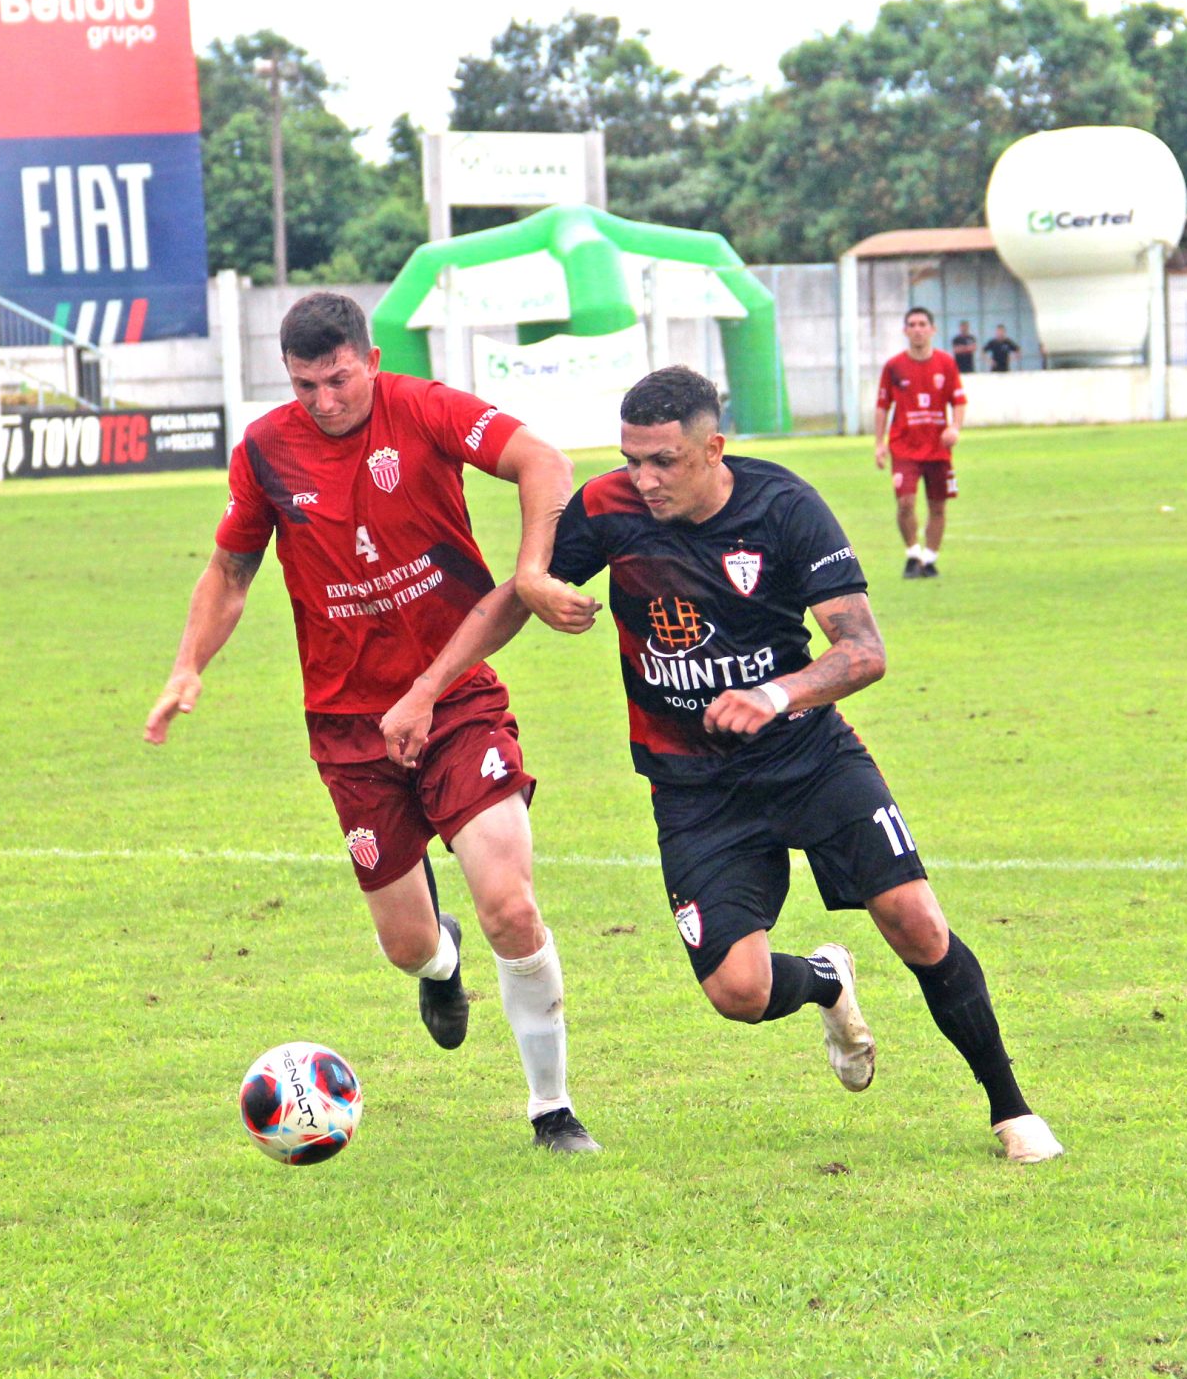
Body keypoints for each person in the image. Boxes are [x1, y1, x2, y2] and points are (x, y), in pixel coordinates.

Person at [386, 365, 1063, 1164]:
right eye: (631, 458)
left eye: (663, 461)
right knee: (737, 993)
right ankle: (827, 982)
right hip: (692, 787)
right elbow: (511, 599)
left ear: (714, 447)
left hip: (807, 757)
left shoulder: (784, 508)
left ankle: (1010, 1110)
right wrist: (431, 685)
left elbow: (864, 651)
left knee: (914, 919)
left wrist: (778, 694)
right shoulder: (608, 509)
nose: (643, 479)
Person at [142, 290, 602, 1155]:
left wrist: (533, 569)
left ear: (372, 359)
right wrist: (187, 666)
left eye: (338, 379)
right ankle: (442, 962)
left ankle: (553, 1108)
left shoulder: (424, 408)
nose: (323, 400)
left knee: (508, 902)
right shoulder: (267, 450)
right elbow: (231, 572)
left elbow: (544, 458)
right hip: (348, 726)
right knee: (406, 945)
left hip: (455, 698)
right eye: (305, 384)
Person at [874, 306, 964, 581]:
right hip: (904, 448)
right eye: (912, 324)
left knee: (938, 507)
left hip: (938, 449)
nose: (917, 329)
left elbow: (958, 400)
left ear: (932, 329)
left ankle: (930, 558)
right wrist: (880, 443)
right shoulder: (894, 366)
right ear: (905, 330)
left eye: (922, 324)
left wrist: (955, 427)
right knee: (905, 502)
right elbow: (882, 406)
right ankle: (913, 553)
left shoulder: (946, 363)